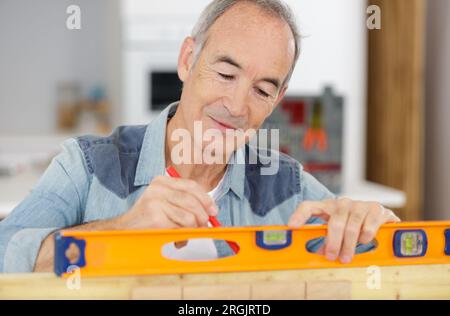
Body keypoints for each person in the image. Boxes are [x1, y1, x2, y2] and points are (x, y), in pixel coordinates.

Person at [0, 0, 399, 273]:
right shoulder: (87, 167)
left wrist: (378, 227)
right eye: (226, 74)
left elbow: (392, 259)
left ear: (276, 100)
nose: (237, 105)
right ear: (188, 60)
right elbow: (5, 253)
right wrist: (120, 231)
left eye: (262, 90)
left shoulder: (290, 190)